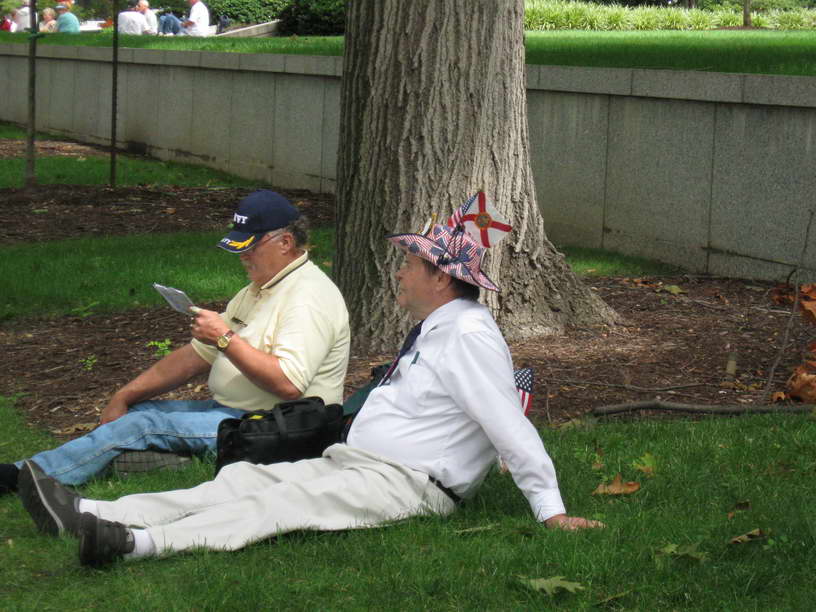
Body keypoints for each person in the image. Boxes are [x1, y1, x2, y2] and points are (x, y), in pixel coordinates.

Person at [18, 203, 602, 567]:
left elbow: (507, 421)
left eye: (410, 264)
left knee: (278, 503)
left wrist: (550, 510)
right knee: (245, 480)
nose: (399, 272)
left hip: (409, 482)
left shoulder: (468, 335)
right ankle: (91, 510)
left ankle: (134, 545)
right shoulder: (442, 326)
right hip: (361, 462)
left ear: (442, 279)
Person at [0, 190, 350, 495]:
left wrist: (225, 338)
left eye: (250, 248)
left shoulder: (308, 297)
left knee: (142, 426)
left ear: (285, 243)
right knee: (136, 413)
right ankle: (123, 461)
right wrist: (124, 396)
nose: (242, 256)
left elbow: (288, 384)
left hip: (274, 427)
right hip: (234, 413)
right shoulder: (261, 288)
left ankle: (22, 477)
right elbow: (195, 357)